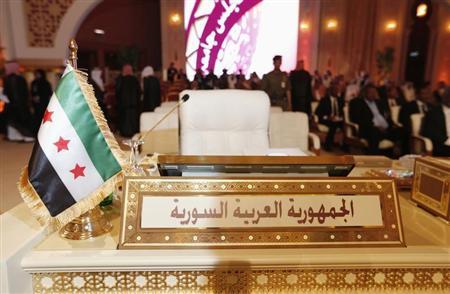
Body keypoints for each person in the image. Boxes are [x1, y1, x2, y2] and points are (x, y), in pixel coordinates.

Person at [349, 84, 406, 155]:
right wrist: (375, 126)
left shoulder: (379, 102)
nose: (373, 94)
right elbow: (356, 118)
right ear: (364, 93)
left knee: (403, 130)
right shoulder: (357, 102)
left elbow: (386, 116)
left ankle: (401, 157)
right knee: (375, 132)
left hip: (385, 129)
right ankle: (373, 158)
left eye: (374, 92)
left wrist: (392, 124)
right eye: (371, 92)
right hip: (369, 129)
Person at [3, 62, 34, 142]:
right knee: (16, 122)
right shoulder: (20, 78)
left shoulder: (10, 79)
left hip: (15, 105)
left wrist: (12, 103)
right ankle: (19, 137)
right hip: (21, 105)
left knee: (17, 122)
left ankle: (28, 137)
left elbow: (13, 93)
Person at [421, 87, 450, 156]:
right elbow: (427, 131)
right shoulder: (433, 112)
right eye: (448, 96)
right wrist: (446, 140)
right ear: (444, 97)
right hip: (442, 146)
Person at [315, 82, 344, 150]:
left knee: (344, 125)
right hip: (325, 119)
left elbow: (342, 112)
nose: (337, 92)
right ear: (331, 91)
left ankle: (344, 144)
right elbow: (318, 112)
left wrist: (341, 117)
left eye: (337, 90)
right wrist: (327, 117)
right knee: (333, 124)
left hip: (338, 119)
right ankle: (327, 145)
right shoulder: (324, 100)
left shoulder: (340, 100)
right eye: (335, 90)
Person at [115, 64, 141, 137]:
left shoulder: (120, 80)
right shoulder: (135, 80)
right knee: (133, 122)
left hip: (124, 107)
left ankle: (125, 134)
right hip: (134, 106)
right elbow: (139, 92)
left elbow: (117, 92)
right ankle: (133, 135)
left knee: (125, 122)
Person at [31, 69, 52, 134]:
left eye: (38, 74)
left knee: (43, 118)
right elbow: (32, 92)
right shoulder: (34, 82)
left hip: (44, 103)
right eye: (36, 74)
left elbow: (49, 93)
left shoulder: (46, 83)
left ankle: (44, 132)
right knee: (36, 118)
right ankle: (36, 132)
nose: (37, 75)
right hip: (36, 104)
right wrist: (34, 97)